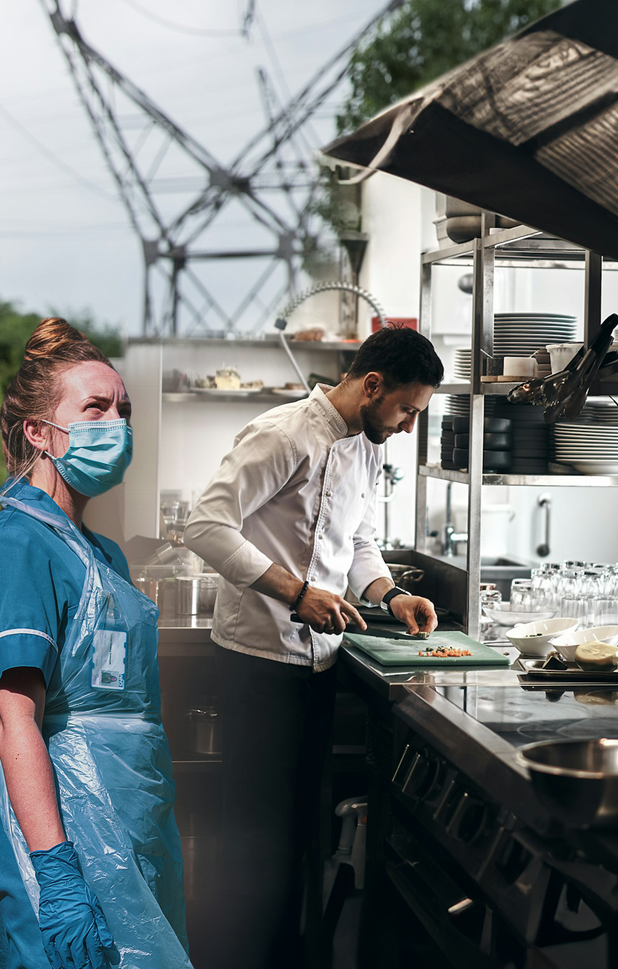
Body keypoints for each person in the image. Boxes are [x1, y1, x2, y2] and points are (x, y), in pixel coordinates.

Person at [183, 325, 443, 967]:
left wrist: (389, 595)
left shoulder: (369, 444)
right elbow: (205, 525)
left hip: (319, 664)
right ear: (372, 384)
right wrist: (296, 593)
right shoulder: (281, 433)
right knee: (253, 840)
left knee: (303, 833)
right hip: (258, 659)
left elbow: (356, 542)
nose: (410, 426)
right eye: (408, 410)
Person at [0, 318, 191, 969]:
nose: (115, 424)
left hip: (128, 841)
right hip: (61, 851)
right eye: (95, 408)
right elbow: (15, 718)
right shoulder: (18, 544)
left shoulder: (103, 554)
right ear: (39, 432)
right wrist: (58, 874)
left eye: (123, 410)